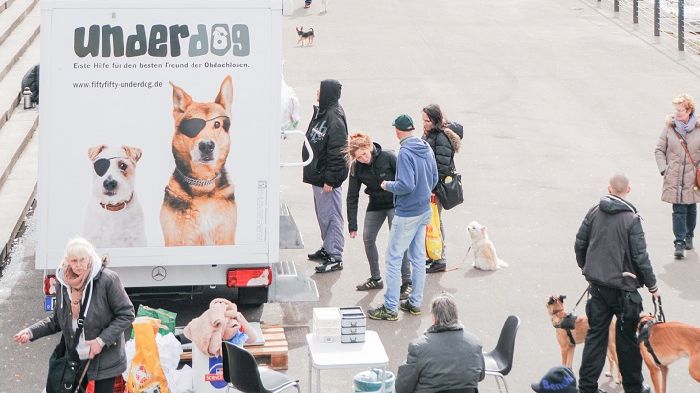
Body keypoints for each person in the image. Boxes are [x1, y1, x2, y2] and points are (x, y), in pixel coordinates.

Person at [13, 237, 135, 393]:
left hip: (105, 357)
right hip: (75, 356)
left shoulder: (107, 280)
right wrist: (30, 332)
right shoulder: (63, 284)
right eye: (74, 260)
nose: (79, 265)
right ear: (67, 261)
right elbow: (56, 321)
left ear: (90, 258)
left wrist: (101, 340)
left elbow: (126, 314)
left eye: (82, 260)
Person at [574, 174, 659, 393]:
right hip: (625, 291)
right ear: (628, 189)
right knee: (627, 342)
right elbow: (641, 257)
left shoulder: (594, 212)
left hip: (599, 287)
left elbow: (580, 243)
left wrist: (587, 269)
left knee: (595, 338)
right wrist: (652, 286)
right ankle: (633, 387)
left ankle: (587, 387)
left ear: (609, 189)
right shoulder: (632, 219)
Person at [368, 114, 438, 321]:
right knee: (418, 259)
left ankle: (390, 308)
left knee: (393, 259)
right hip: (424, 210)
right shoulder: (426, 147)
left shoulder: (405, 152)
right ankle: (415, 302)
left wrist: (387, 185)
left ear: (397, 131)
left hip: (407, 213)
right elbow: (433, 178)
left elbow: (406, 185)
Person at [345, 133, 413, 299]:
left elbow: (406, 179)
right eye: (359, 157)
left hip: (395, 203)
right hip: (376, 204)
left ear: (369, 146)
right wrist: (352, 224)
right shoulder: (356, 167)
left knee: (398, 241)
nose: (363, 159)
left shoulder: (388, 156)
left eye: (364, 154)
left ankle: (407, 282)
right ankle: (376, 278)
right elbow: (352, 196)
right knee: (368, 238)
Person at [302, 79, 349, 273]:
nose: (316, 93)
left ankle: (335, 255)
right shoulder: (324, 112)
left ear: (327, 93)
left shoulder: (334, 118)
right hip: (318, 175)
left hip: (326, 179)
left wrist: (331, 179)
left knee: (331, 216)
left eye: (319, 90)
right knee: (323, 215)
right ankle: (327, 248)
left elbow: (339, 152)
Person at [395, 293, 485, 393]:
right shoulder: (475, 343)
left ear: (434, 318)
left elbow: (402, 387)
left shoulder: (419, 347)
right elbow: (480, 376)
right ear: (455, 316)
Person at [654, 93, 700, 259]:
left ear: (689, 110)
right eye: (676, 110)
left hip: (693, 176)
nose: (677, 114)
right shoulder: (669, 128)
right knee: (678, 209)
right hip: (674, 175)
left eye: (680, 110)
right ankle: (679, 242)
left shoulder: (699, 128)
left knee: (691, 207)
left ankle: (689, 235)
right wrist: (664, 169)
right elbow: (659, 150)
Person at [421, 104, 461, 273]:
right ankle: (434, 255)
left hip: (436, 188)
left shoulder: (441, 137)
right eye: (423, 120)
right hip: (431, 186)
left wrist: (431, 187)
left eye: (427, 120)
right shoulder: (431, 133)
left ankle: (439, 258)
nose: (424, 123)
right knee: (433, 222)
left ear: (435, 120)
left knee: (435, 222)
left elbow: (441, 167)